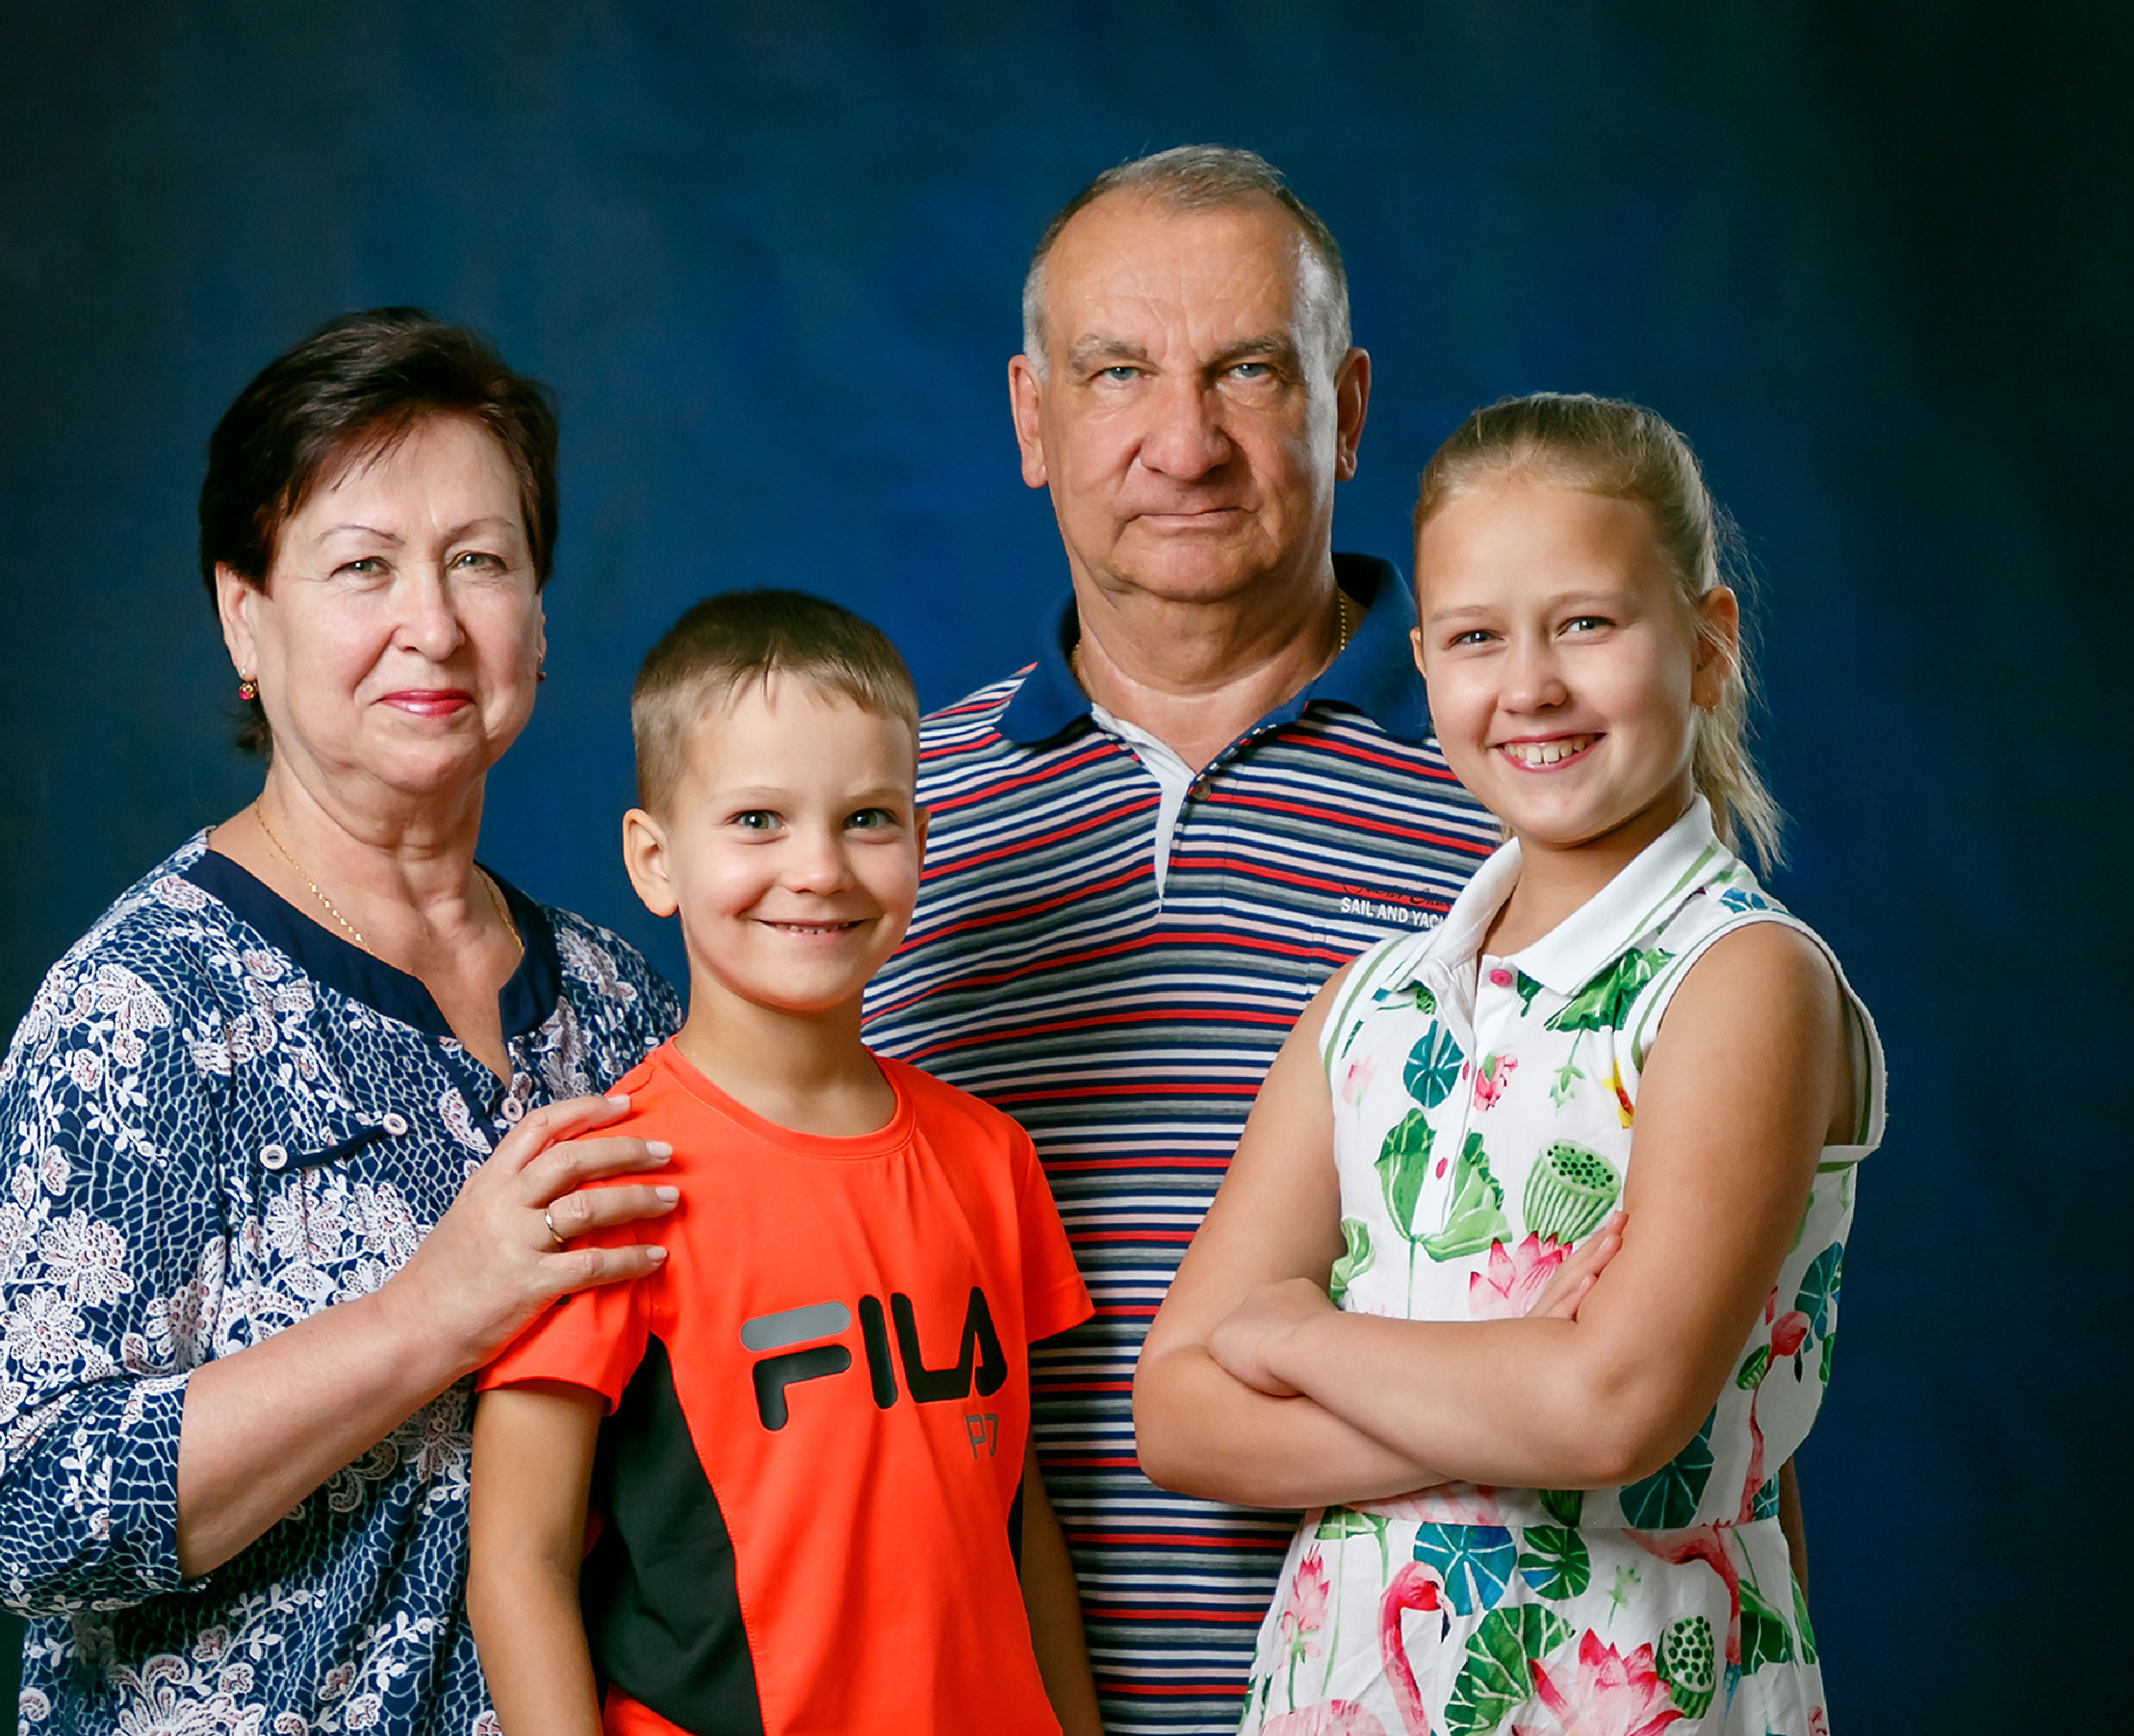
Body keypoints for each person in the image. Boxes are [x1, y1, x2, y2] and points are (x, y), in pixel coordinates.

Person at [0, 308, 686, 1736]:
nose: (436, 622)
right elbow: (20, 1514)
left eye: (482, 560)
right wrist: (429, 1314)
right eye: (363, 567)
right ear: (247, 615)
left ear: (536, 612)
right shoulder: (148, 1006)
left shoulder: (617, 1002)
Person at [861, 146, 1502, 1729]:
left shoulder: (1522, 806)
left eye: (1246, 373)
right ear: (1031, 418)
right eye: (1119, 373)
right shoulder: (871, 827)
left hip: (1432, 1688)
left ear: (1346, 406)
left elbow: (1686, 1326)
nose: (1184, 442)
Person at [1137, 394, 1888, 1734]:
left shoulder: (1743, 980)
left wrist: (1299, 1334)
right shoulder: (1369, 1006)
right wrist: (1514, 1391)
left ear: (1707, 646)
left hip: (1638, 1693)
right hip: (1339, 1695)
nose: (1530, 685)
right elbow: (1181, 1415)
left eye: (1587, 624)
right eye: (1478, 638)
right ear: (1426, 670)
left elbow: (1610, 1411)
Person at [469, 591, 1106, 1736]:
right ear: (655, 861)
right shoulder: (607, 1176)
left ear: (919, 838)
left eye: (867, 817)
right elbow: (517, 1560)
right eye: (758, 820)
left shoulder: (989, 1158)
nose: (817, 867)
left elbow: (1018, 1510)